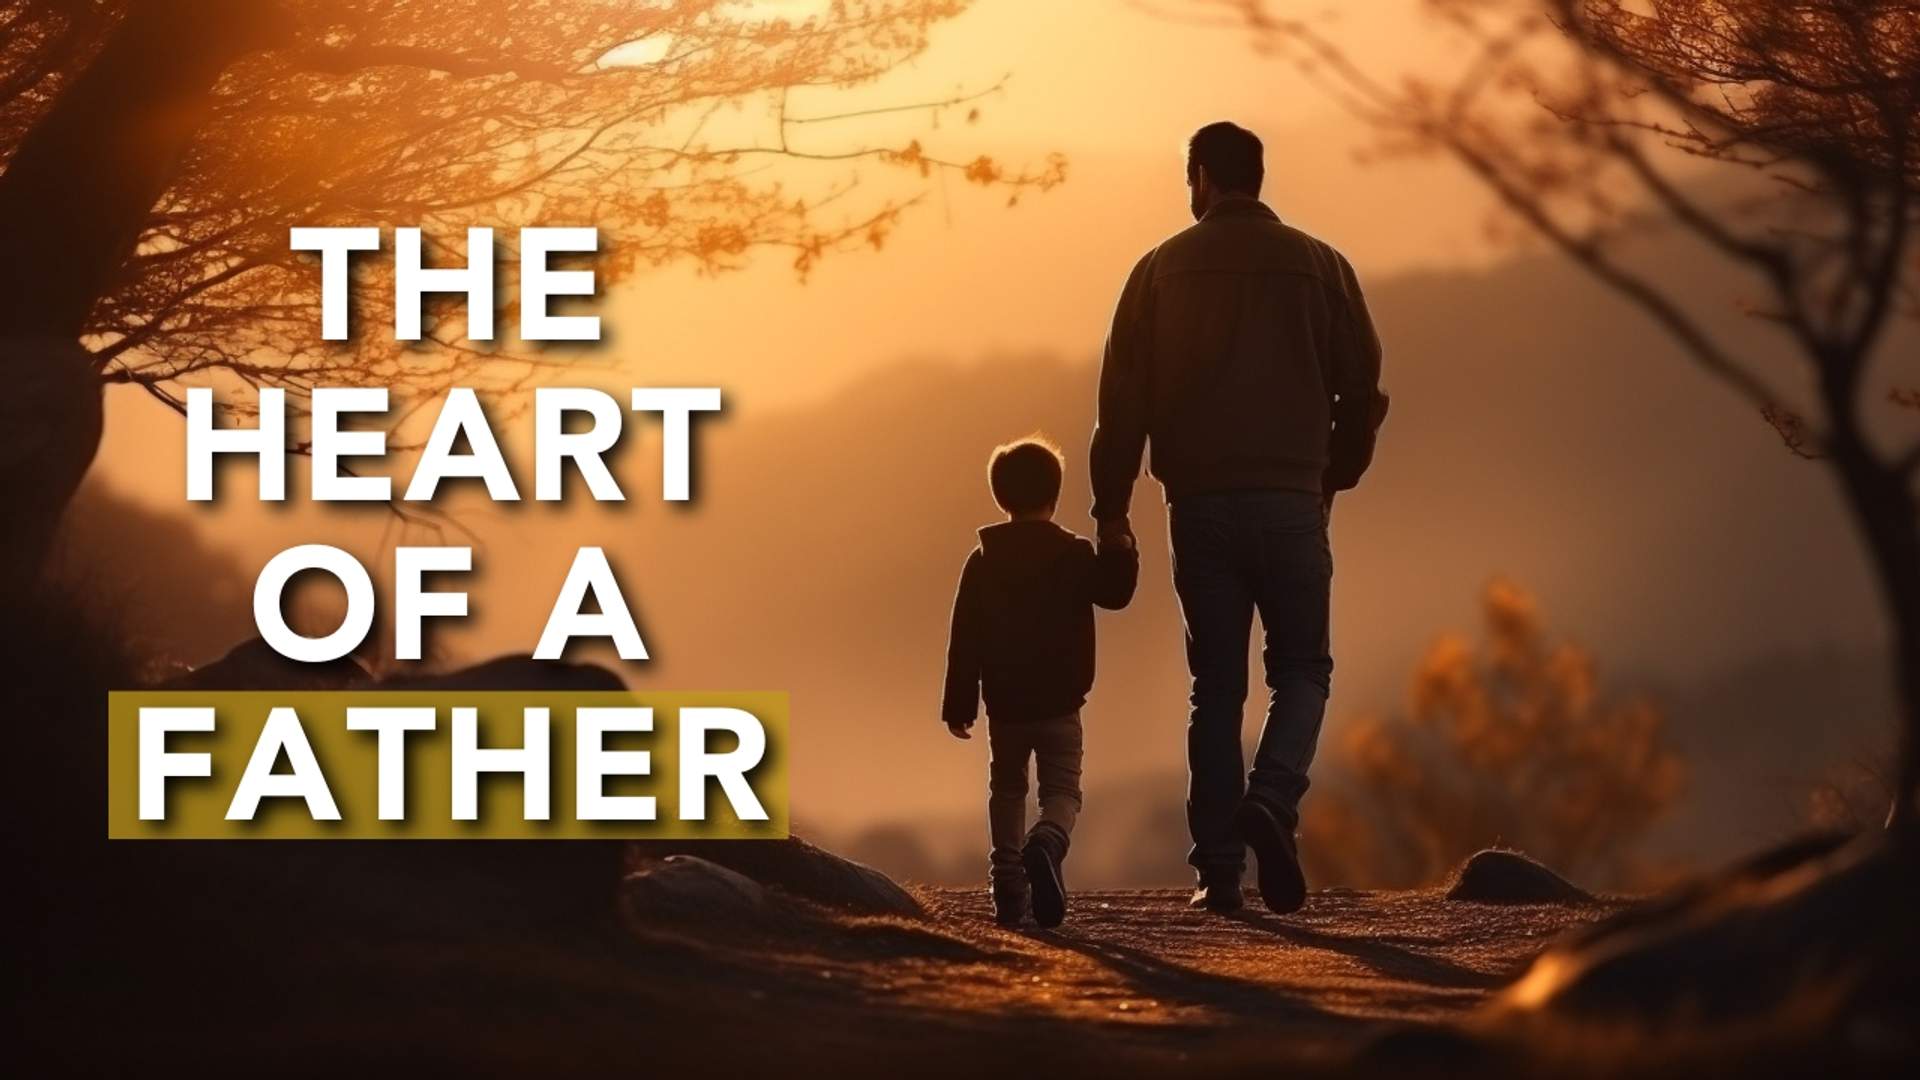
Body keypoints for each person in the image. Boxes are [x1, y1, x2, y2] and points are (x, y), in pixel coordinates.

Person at [1089, 121, 1387, 915]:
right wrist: (1333, 478)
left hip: (1200, 506)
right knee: (1303, 671)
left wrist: (1110, 513)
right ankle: (1274, 800)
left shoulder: (1158, 272)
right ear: (1256, 176)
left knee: (1214, 689)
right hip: (1294, 500)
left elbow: (1121, 406)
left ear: (1201, 178)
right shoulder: (1324, 268)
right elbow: (1361, 393)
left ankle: (1219, 873)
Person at [941, 437, 1139, 928]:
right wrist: (1120, 546)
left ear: (1000, 497)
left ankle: (1007, 887)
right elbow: (1115, 594)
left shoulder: (983, 560)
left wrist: (959, 702)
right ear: (1055, 492)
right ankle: (1047, 840)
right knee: (1063, 792)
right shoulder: (1071, 553)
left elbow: (964, 636)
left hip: (1006, 705)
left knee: (1006, 789)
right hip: (1060, 702)